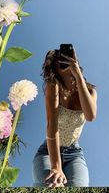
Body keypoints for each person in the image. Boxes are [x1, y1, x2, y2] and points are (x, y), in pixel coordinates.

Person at [32, 46, 97, 187]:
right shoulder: (53, 86)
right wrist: (56, 167)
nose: (64, 63)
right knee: (50, 185)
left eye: (67, 58)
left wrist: (78, 75)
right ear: (54, 67)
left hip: (74, 153)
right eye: (59, 61)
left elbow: (90, 116)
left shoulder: (90, 91)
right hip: (48, 152)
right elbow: (51, 125)